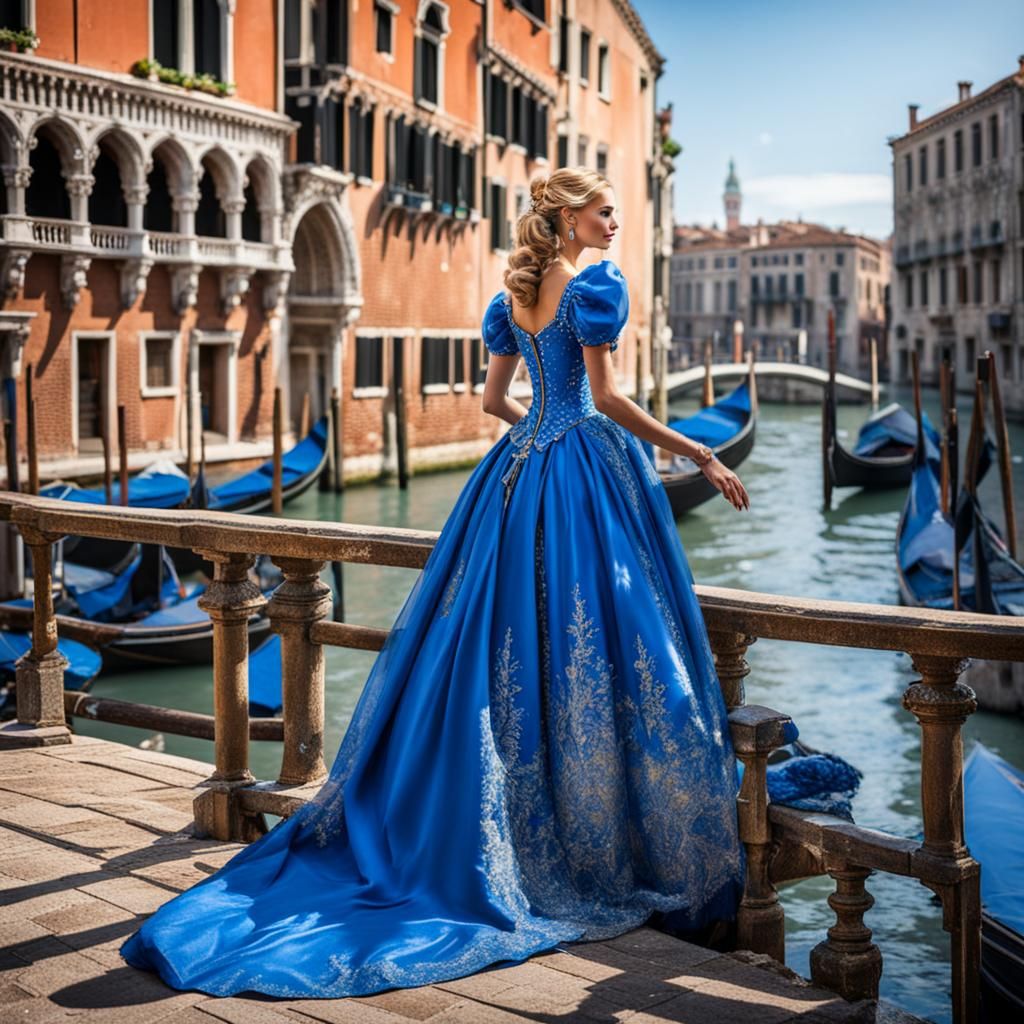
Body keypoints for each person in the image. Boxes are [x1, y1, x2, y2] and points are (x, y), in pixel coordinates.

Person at [118, 167, 751, 999]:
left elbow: (494, 401)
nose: (613, 225)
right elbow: (605, 396)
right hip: (577, 475)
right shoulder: (594, 288)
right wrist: (695, 451)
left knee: (502, 639)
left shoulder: (516, 295)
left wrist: (541, 437)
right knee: (605, 634)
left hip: (515, 478)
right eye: (603, 212)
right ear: (566, 219)